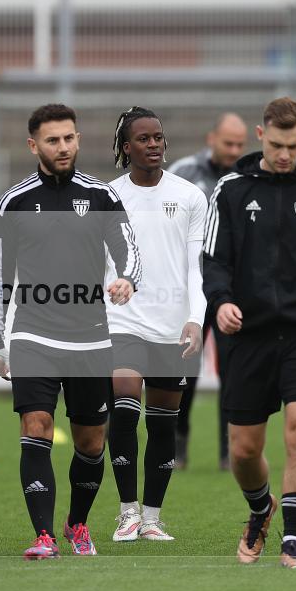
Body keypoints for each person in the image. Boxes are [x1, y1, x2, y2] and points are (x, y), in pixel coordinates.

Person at [0, 103, 142, 559]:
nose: (63, 147)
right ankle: (43, 536)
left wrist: (127, 278)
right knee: (36, 426)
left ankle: (76, 524)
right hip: (33, 335)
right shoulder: (13, 202)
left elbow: (130, 250)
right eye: (53, 140)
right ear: (34, 146)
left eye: (69, 138)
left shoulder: (100, 197)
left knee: (91, 442)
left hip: (90, 337)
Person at [202, 97, 296, 569]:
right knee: (244, 450)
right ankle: (260, 508)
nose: (286, 154)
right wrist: (222, 301)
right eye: (278, 144)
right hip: (249, 335)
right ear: (260, 134)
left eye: (295, 145)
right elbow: (213, 259)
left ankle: (293, 542)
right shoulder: (230, 190)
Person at [105, 107, 207, 543]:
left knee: (164, 422)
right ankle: (126, 511)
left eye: (158, 137)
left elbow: (196, 269)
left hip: (171, 324)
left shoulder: (190, 197)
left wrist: (195, 318)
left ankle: (151, 517)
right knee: (125, 406)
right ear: (126, 147)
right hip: (121, 320)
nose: (153, 145)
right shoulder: (107, 196)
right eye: (143, 139)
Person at [168, 112, 248, 471]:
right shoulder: (184, 173)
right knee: (185, 371)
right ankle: (178, 445)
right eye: (228, 142)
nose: (234, 150)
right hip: (189, 287)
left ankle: (228, 452)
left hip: (234, 288)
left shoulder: (250, 175)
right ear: (211, 137)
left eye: (240, 144)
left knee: (235, 371)